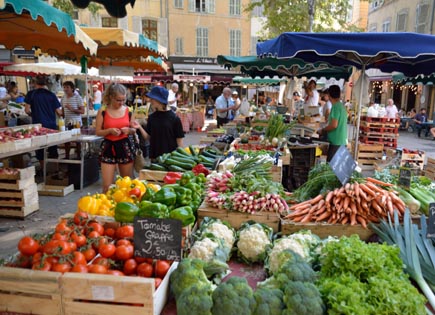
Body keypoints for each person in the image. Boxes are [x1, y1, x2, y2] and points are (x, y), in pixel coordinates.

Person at [95, 83, 137, 193]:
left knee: (126, 184)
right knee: (107, 186)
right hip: (108, 146)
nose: (121, 103)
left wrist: (129, 130)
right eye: (118, 100)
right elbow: (98, 132)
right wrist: (109, 131)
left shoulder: (129, 111)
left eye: (123, 100)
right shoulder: (103, 111)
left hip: (125, 146)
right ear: (111, 97)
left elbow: (134, 129)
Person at [24, 75, 62, 173]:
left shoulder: (31, 94)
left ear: (35, 83)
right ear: (45, 83)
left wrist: (34, 114)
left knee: (40, 148)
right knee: (53, 146)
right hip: (51, 125)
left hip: (38, 126)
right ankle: (56, 169)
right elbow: (59, 112)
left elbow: (27, 110)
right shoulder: (51, 95)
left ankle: (43, 169)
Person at [134, 86, 184, 160]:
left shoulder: (174, 118)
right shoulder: (152, 117)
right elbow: (148, 137)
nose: (150, 100)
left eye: (152, 98)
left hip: (170, 158)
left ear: (159, 100)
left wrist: (181, 159)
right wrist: (139, 127)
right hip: (154, 158)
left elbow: (179, 142)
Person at [317, 85, 347, 162]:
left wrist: (323, 130)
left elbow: (334, 125)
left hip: (336, 142)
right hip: (340, 141)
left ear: (329, 95)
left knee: (331, 168)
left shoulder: (336, 107)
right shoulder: (340, 106)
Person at [61, 81, 84, 159]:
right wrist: (61, 115)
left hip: (76, 122)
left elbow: (82, 111)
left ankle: (79, 156)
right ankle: (67, 156)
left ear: (72, 88)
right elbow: (63, 110)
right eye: (64, 87)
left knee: (77, 140)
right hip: (66, 122)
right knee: (66, 140)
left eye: (67, 87)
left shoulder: (78, 97)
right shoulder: (63, 98)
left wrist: (72, 109)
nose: (65, 89)